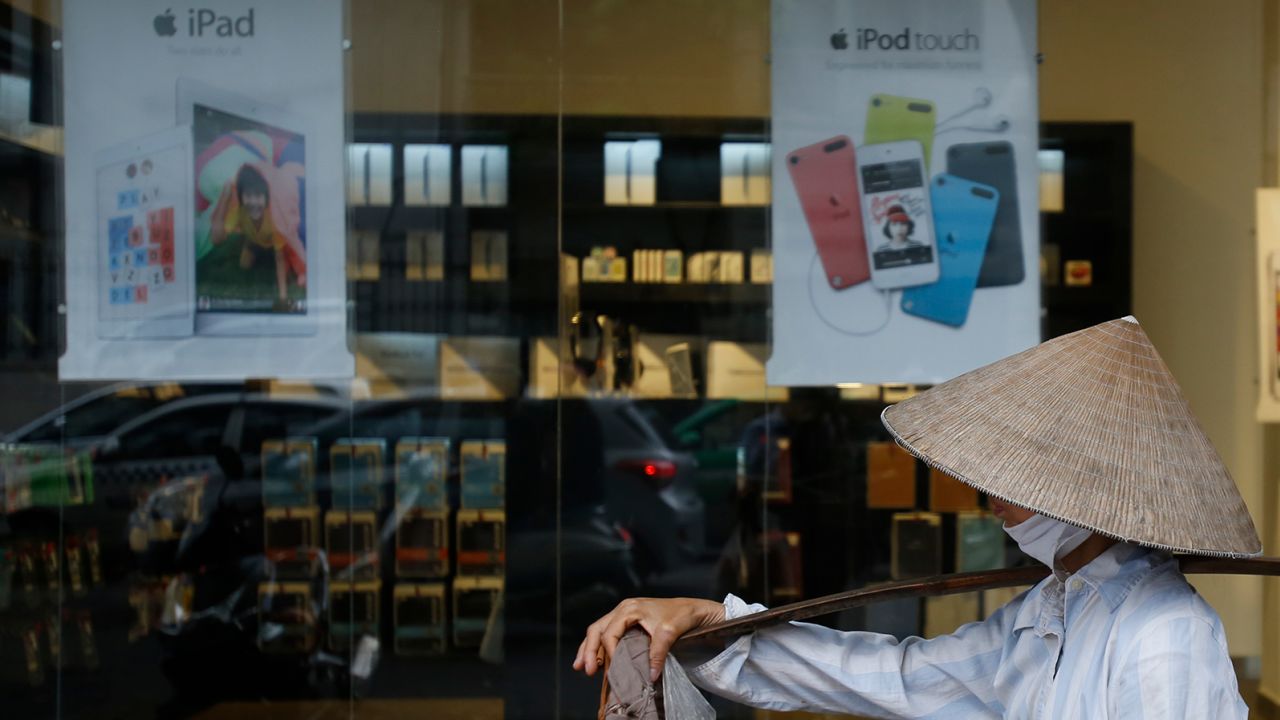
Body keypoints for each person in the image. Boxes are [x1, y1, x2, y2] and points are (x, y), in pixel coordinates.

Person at [573, 316, 1258, 718]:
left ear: (1079, 492)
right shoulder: (1054, 610)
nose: (990, 499)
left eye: (1009, 480)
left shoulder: (1165, 633)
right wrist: (716, 621)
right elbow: (897, 676)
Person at [209, 164, 297, 310]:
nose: (253, 202)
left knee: (282, 266)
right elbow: (216, 239)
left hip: (274, 245)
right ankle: (254, 249)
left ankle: (274, 262)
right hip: (254, 241)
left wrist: (283, 297)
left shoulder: (273, 219)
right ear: (242, 198)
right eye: (248, 196)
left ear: (266, 198)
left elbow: (279, 259)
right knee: (244, 266)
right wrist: (225, 197)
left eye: (258, 196)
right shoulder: (240, 212)